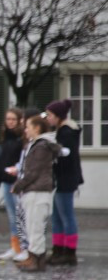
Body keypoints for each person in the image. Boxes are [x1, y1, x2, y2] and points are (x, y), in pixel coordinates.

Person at [12, 115, 60, 272]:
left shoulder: (41, 146)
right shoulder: (36, 145)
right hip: (34, 191)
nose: (25, 130)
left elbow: (33, 172)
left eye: (28, 127)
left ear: (37, 128)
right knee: (32, 227)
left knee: (35, 227)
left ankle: (36, 259)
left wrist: (18, 186)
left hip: (38, 191)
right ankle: (34, 258)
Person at [45, 99, 83, 266]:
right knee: (57, 217)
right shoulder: (62, 130)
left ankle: (69, 252)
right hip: (61, 179)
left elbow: (67, 157)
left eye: (50, 115)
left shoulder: (67, 133)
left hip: (66, 180)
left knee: (66, 216)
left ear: (58, 116)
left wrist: (54, 157)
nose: (48, 118)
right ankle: (58, 249)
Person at [0, 108, 25, 260]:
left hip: (17, 181)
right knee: (11, 216)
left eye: (13, 119)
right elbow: (1, 161)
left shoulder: (21, 139)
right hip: (7, 181)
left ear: (19, 120)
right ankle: (15, 246)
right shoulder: (6, 138)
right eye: (8, 119)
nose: (10, 122)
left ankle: (22, 247)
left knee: (18, 216)